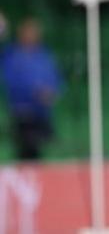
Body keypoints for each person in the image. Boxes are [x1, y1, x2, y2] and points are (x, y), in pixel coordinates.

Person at [0, 18, 62, 160]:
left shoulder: (44, 56)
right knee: (27, 151)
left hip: (43, 114)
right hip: (22, 114)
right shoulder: (11, 56)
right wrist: (34, 93)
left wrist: (52, 92)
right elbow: (12, 81)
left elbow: (55, 78)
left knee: (50, 148)